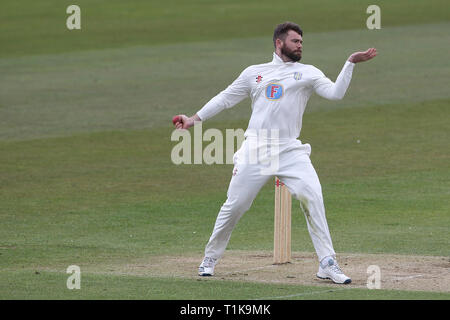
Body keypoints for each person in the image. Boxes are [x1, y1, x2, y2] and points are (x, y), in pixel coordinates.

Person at [173, 22, 377, 284]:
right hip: (256, 148)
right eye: (295, 41)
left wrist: (350, 63)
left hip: (290, 149)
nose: (300, 45)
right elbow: (225, 98)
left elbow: (335, 94)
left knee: (312, 196)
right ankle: (210, 257)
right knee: (236, 205)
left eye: (302, 41)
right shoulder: (254, 73)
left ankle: (327, 263)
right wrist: (193, 119)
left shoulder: (308, 73)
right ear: (279, 43)